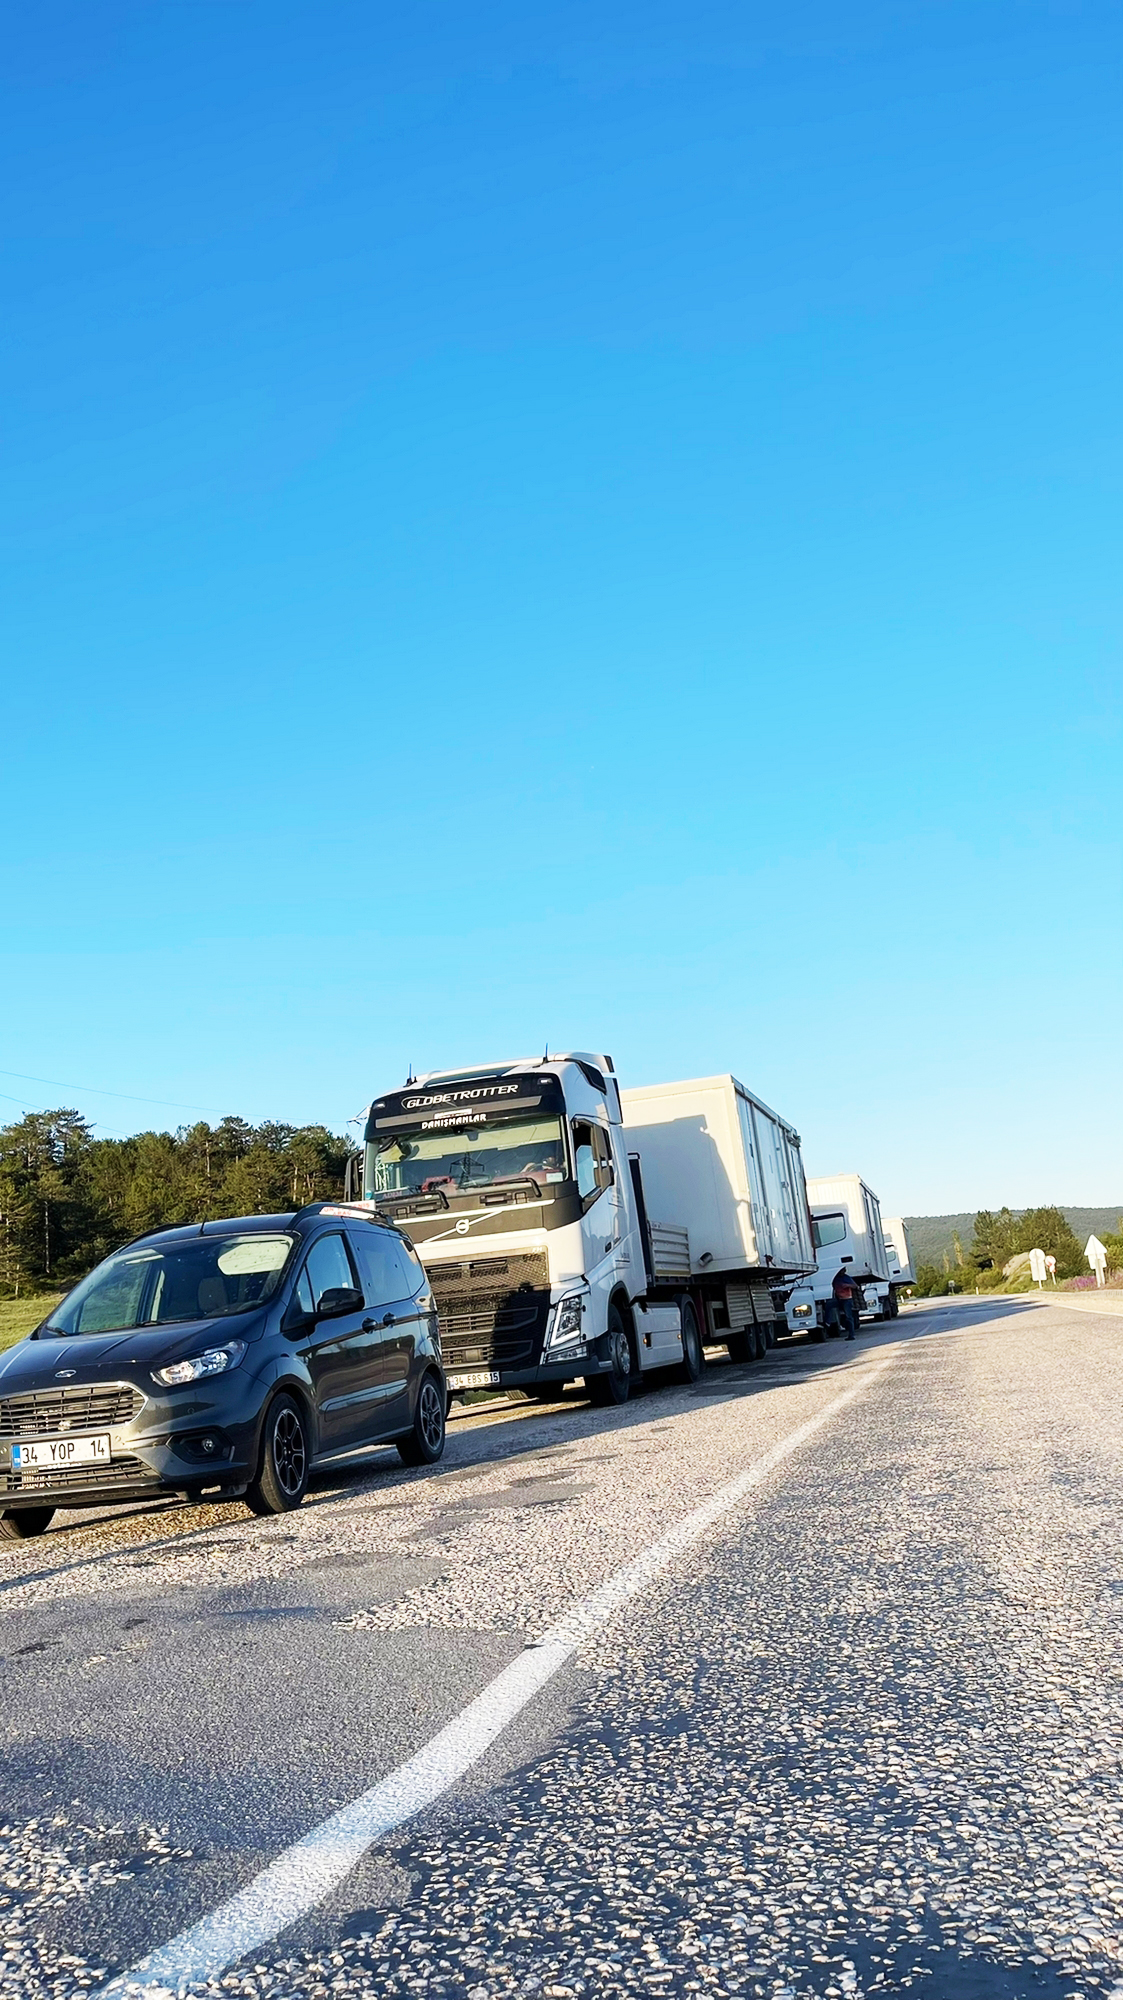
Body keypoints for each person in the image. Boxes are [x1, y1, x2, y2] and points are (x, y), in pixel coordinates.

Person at [832, 1264, 861, 1341]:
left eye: (843, 1270)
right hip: (838, 1299)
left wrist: (847, 1285)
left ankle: (851, 1335)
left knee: (849, 1317)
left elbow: (855, 1286)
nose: (843, 1272)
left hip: (847, 1299)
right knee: (829, 1306)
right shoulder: (835, 1278)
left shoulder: (846, 1278)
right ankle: (828, 1322)